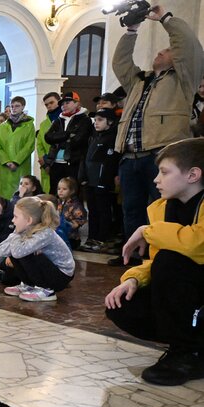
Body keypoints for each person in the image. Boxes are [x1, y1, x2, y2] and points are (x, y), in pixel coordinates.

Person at [104, 138, 204, 386]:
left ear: (192, 174)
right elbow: (157, 260)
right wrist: (133, 278)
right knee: (123, 305)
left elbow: (197, 244)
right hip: (190, 294)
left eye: (164, 172)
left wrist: (147, 231)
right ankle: (188, 345)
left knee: (171, 262)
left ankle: (187, 353)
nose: (156, 180)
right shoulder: (161, 209)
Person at [112, 4, 204, 267]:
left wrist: (165, 18)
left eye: (165, 50)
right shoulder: (139, 81)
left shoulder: (184, 80)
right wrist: (131, 30)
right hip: (130, 155)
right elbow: (120, 62)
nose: (159, 53)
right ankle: (135, 257)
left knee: (163, 209)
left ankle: (160, 257)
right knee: (132, 210)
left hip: (160, 154)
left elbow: (188, 46)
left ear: (177, 59)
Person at [0, 197, 75, 302]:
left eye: (15, 217)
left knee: (23, 252)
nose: (13, 220)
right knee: (17, 251)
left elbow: (18, 252)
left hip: (61, 276)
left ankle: (47, 291)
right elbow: (1, 251)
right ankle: (29, 284)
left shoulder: (45, 233)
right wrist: (16, 234)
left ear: (29, 220)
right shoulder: (23, 230)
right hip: (47, 272)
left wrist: (16, 235)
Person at [79, 108, 121, 253]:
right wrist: (83, 176)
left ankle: (102, 239)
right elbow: (86, 158)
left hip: (103, 181)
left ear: (109, 122)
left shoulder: (112, 138)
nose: (96, 123)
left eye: (100, 120)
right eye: (95, 120)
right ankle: (92, 237)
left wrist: (107, 179)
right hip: (91, 180)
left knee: (104, 211)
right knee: (93, 210)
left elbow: (111, 162)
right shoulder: (94, 137)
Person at [44, 91, 93, 196]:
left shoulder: (85, 120)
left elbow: (78, 140)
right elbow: (48, 137)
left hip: (73, 162)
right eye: (62, 103)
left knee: (72, 193)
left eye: (67, 102)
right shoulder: (59, 119)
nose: (64, 106)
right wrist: (67, 135)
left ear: (77, 103)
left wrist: (58, 138)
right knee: (54, 192)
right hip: (56, 162)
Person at [0, 96, 35, 199]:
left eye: (17, 106)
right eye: (12, 106)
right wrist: (6, 160)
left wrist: (16, 161)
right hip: (4, 166)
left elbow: (29, 145)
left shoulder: (29, 126)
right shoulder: (3, 126)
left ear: (23, 107)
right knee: (1, 197)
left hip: (20, 166)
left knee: (19, 195)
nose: (14, 108)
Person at [36, 92, 62, 190]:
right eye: (46, 104)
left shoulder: (65, 120)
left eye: (51, 102)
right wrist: (44, 161)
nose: (49, 106)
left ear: (59, 102)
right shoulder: (43, 124)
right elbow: (39, 144)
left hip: (61, 161)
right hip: (46, 162)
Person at [57, 177, 87, 250]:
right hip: (60, 235)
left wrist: (68, 224)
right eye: (59, 189)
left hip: (71, 238)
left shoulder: (75, 205)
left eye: (64, 189)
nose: (60, 191)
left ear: (72, 191)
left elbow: (80, 221)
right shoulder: (60, 202)